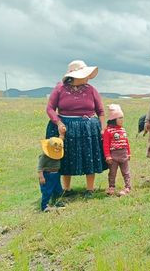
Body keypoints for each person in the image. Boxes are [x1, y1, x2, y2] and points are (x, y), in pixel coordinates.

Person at [46, 60, 107, 198]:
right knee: (65, 157)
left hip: (88, 128)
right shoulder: (60, 88)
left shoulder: (91, 90)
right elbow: (50, 108)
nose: (87, 77)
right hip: (65, 128)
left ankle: (90, 189)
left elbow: (101, 111)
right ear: (74, 76)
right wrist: (58, 123)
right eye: (84, 74)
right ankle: (66, 189)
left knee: (89, 156)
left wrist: (103, 128)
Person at [103, 104, 132, 196]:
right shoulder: (108, 131)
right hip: (113, 156)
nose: (122, 120)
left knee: (126, 172)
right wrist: (107, 156)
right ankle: (111, 187)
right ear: (114, 120)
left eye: (122, 118)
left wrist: (129, 153)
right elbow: (106, 144)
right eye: (120, 118)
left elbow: (126, 142)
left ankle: (128, 187)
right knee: (112, 172)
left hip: (123, 154)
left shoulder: (123, 130)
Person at [37, 137, 65, 212]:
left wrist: (62, 135)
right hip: (47, 175)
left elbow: (61, 139)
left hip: (56, 174)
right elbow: (40, 167)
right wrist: (41, 177)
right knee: (47, 191)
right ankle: (44, 206)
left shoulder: (57, 153)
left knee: (58, 189)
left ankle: (57, 202)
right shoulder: (44, 156)